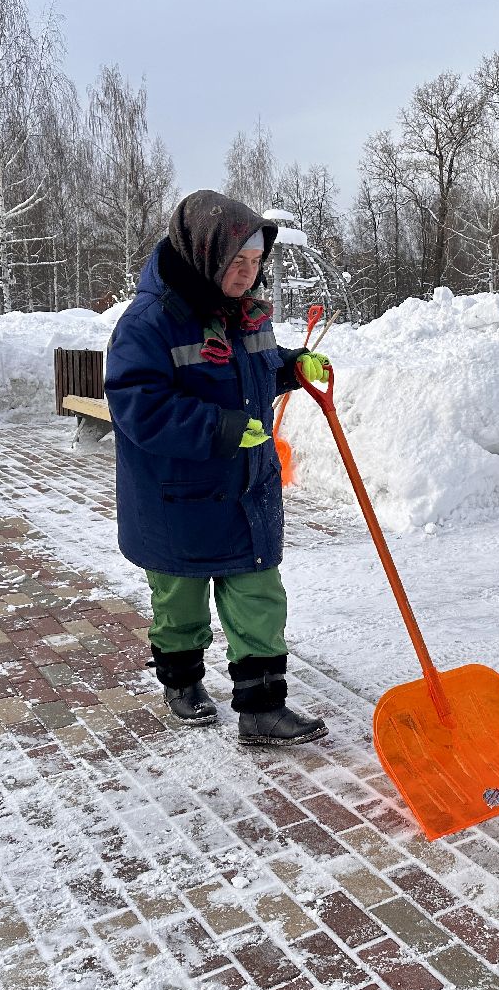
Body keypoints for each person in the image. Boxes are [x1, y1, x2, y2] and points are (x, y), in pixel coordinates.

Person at [106, 190, 332, 746]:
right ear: (205, 256)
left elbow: (247, 372)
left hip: (245, 492)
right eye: (237, 263)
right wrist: (220, 428)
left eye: (256, 264)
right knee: (180, 602)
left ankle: (262, 707)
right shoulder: (149, 323)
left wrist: (288, 366)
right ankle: (182, 683)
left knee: (259, 595)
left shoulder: (246, 313)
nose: (248, 275)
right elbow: (138, 406)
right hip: (176, 499)